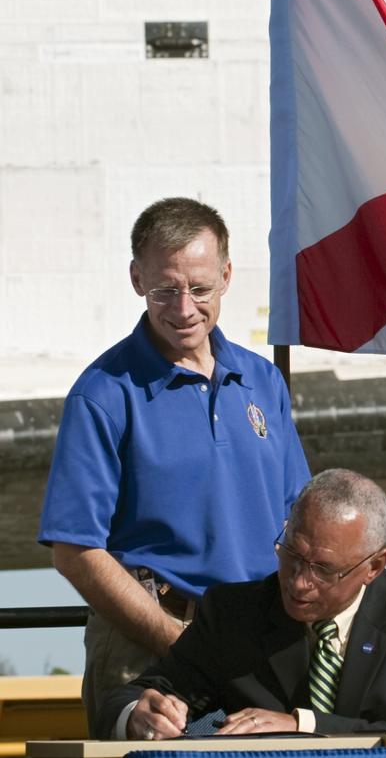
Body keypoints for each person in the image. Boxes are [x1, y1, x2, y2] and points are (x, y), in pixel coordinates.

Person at [37, 197, 311, 719]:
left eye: (201, 288)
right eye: (165, 290)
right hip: (146, 646)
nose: (184, 309)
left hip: (260, 642)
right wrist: (180, 641)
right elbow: (74, 551)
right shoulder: (102, 394)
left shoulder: (263, 380)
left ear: (227, 275)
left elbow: (298, 518)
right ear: (137, 279)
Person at [95, 469, 386, 738]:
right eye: (291, 553)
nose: (298, 582)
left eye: (324, 569)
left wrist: (301, 724)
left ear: (375, 565)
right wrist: (139, 716)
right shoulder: (234, 613)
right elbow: (133, 696)